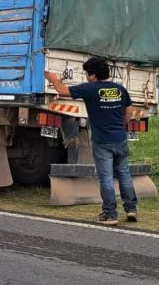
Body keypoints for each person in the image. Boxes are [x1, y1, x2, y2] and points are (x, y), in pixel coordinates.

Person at [45, 57, 141, 226]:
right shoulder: (120, 89)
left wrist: (52, 78)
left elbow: (63, 91)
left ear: (93, 75)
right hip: (120, 139)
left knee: (106, 178)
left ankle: (110, 214)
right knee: (124, 174)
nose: (86, 76)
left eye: (87, 73)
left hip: (102, 141)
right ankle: (131, 209)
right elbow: (129, 111)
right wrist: (120, 125)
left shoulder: (90, 89)